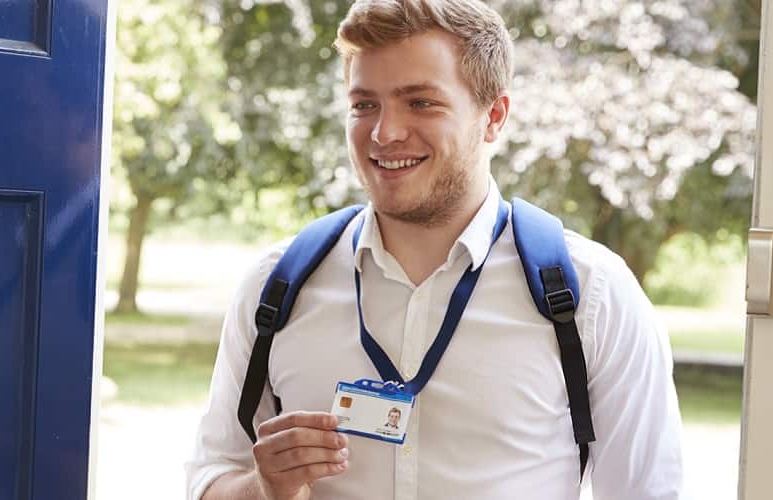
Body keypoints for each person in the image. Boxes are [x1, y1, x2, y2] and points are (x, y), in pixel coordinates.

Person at [187, 1, 683, 499]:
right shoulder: (276, 287)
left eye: (420, 102)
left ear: (494, 117)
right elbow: (209, 478)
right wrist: (262, 487)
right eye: (364, 105)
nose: (384, 132)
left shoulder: (592, 295)